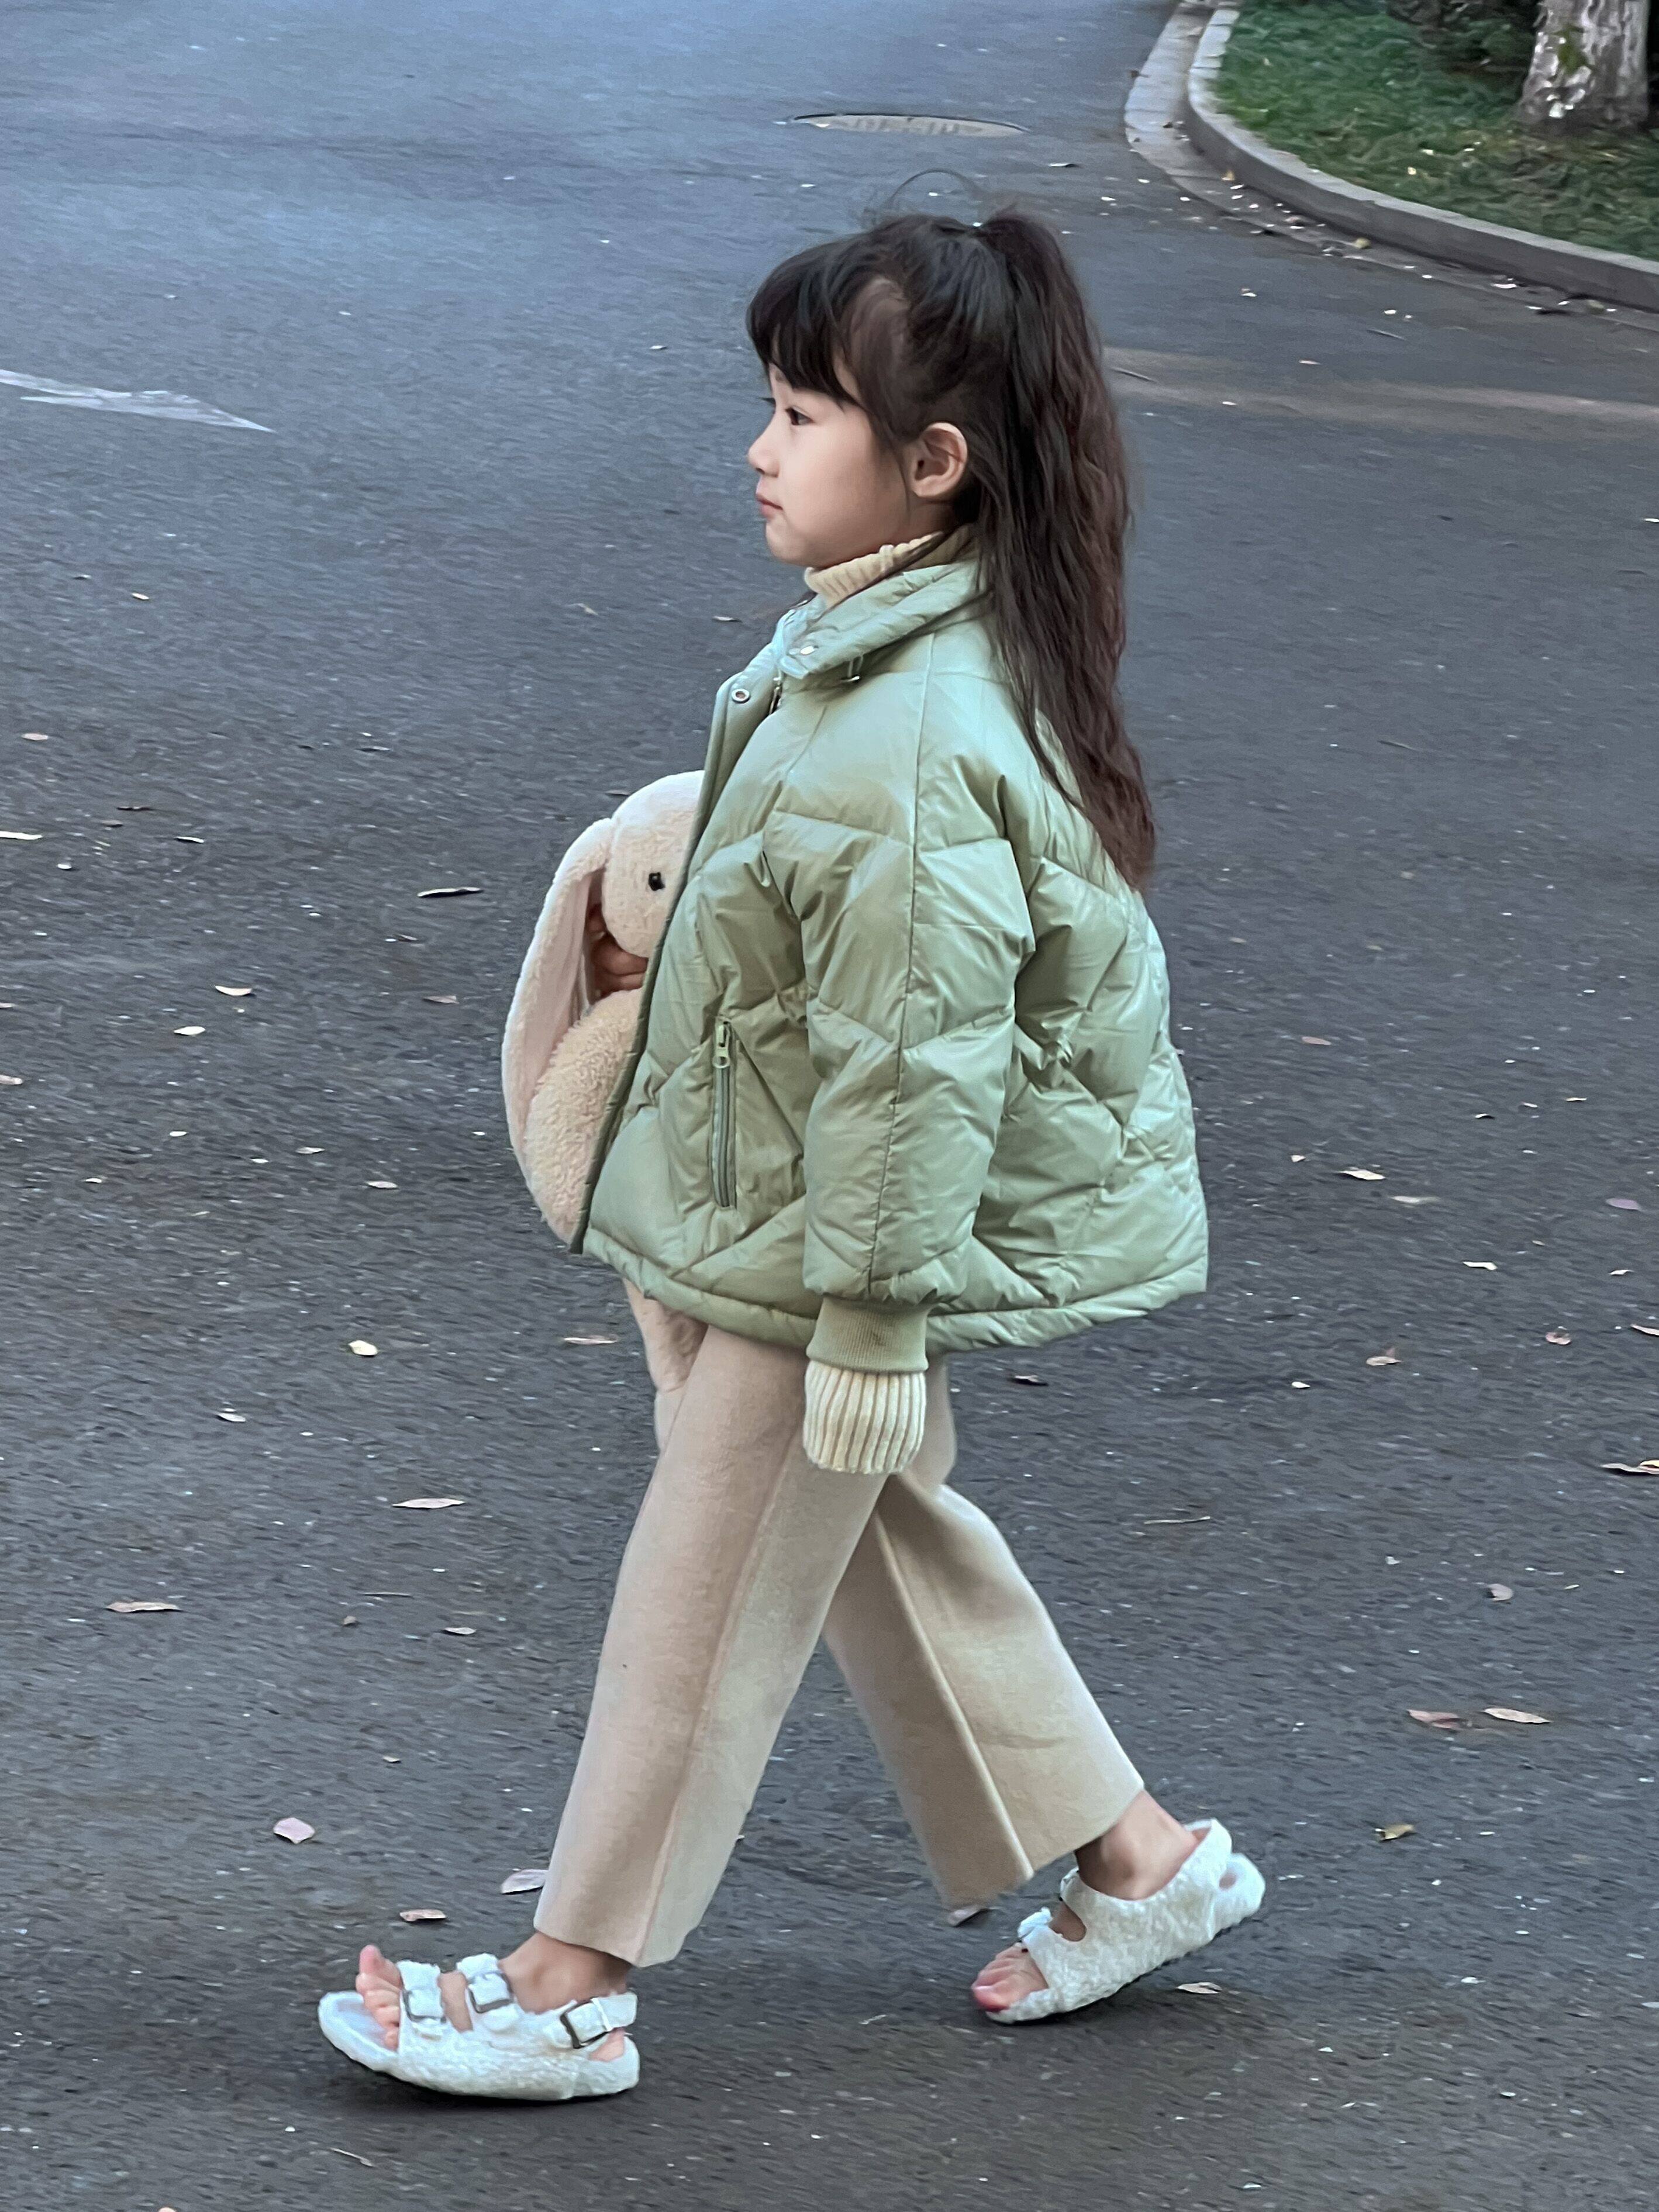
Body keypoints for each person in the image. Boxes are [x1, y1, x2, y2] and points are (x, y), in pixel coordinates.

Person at [318, 208, 1263, 2102]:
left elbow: (915, 1062)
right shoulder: (879, 651)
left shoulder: (905, 725)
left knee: (711, 1578)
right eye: (768, 404)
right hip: (792, 1205)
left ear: (936, 462)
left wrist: (874, 1321)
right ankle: (1140, 1862)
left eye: (802, 414)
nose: (760, 449)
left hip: (832, 1242)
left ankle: (570, 1979)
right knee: (870, 1536)